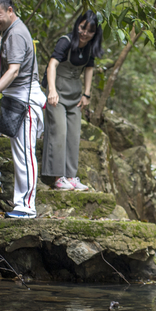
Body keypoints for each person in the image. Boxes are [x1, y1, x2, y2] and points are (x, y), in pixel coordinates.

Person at [0, 0, 46, 218]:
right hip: (11, 97)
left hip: (25, 99)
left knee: (23, 151)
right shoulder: (9, 31)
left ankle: (26, 205)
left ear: (10, 10)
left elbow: (13, 70)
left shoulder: (16, 33)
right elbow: (3, 53)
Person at [42, 10, 103, 191]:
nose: (84, 33)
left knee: (74, 135)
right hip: (58, 92)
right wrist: (51, 90)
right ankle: (57, 177)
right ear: (78, 24)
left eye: (90, 30)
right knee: (59, 132)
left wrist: (87, 94)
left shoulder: (90, 47)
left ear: (95, 33)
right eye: (82, 27)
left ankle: (71, 176)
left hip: (75, 95)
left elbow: (89, 68)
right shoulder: (66, 41)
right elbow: (52, 64)